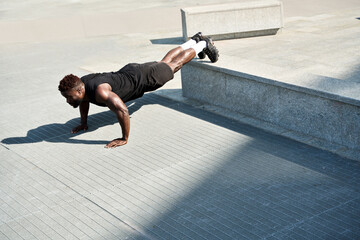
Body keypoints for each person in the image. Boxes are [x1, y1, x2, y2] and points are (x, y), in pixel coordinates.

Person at [58, 32, 219, 148]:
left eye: (69, 97)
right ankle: (194, 40)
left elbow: (122, 110)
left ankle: (204, 43)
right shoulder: (83, 84)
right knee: (164, 62)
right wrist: (83, 123)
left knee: (174, 65)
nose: (68, 100)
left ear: (78, 91)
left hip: (143, 79)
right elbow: (84, 102)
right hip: (130, 71)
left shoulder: (101, 92)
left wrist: (124, 138)